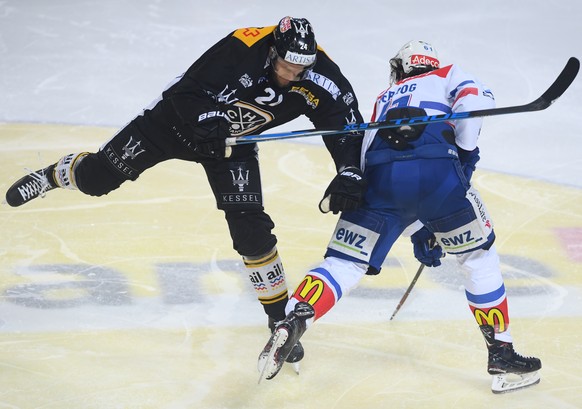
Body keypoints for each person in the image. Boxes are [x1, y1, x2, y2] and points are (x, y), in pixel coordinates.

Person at [5, 17, 366, 369]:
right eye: (285, 68)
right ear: (273, 51)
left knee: (252, 231)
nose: (290, 78)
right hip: (171, 127)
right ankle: (56, 174)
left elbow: (347, 128)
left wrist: (348, 169)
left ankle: (280, 323)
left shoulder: (322, 77)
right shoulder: (243, 45)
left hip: (231, 146)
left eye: (298, 73)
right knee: (97, 180)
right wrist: (210, 121)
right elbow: (185, 92)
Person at [258, 40, 541, 393]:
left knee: (344, 263)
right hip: (440, 178)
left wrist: (416, 223)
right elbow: (475, 102)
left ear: (403, 66)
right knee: (477, 257)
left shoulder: (385, 97)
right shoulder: (448, 74)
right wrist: (463, 163)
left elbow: (368, 154)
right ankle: (502, 352)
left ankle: (297, 316)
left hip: (379, 184)